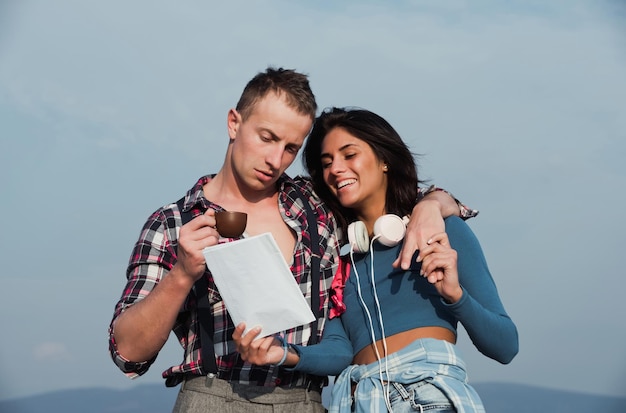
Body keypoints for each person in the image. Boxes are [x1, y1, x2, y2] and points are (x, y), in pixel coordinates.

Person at [108, 68, 473, 413]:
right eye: (266, 138)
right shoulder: (172, 223)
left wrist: (431, 206)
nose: (274, 159)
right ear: (234, 123)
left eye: (290, 148)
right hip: (212, 396)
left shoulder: (319, 206)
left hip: (306, 399)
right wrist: (183, 274)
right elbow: (127, 351)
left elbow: (400, 199)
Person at [233, 107, 518, 412]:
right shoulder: (337, 264)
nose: (336, 169)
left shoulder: (442, 231)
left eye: (349, 154)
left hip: (424, 397)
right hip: (359, 401)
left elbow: (505, 345)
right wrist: (283, 353)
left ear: (384, 160)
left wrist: (455, 295)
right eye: (327, 163)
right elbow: (340, 352)